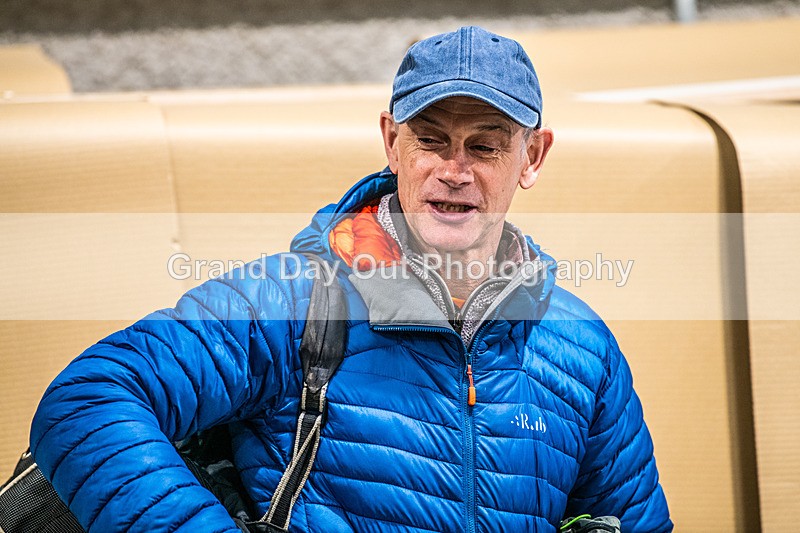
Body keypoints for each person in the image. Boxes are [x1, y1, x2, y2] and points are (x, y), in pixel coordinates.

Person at [30, 26, 672, 532]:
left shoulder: (582, 348)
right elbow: (89, 398)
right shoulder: (293, 300)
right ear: (392, 143)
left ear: (532, 157)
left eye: (485, 146)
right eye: (430, 139)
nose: (454, 169)